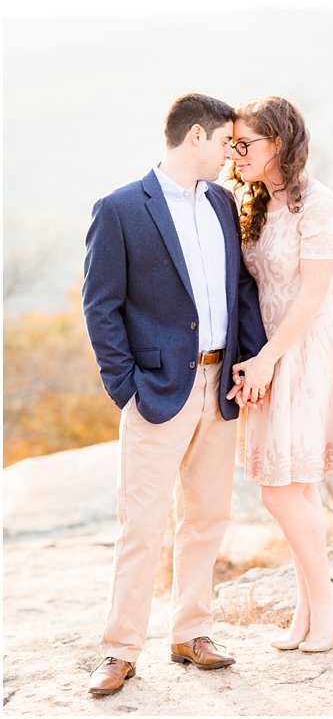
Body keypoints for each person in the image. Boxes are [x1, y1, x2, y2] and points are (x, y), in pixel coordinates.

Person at [82, 93, 268, 695]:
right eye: (225, 144)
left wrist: (248, 361)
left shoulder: (220, 203)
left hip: (220, 386)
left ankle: (191, 631)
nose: (231, 155)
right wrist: (124, 388)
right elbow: (100, 306)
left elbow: (238, 291)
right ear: (195, 138)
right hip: (156, 391)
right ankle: (120, 648)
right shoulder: (119, 209)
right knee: (142, 522)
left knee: (208, 515)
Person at [226, 96, 333, 653]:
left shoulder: (319, 203)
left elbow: (312, 296)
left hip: (308, 353)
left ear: (277, 145)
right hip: (269, 355)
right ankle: (309, 608)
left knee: (279, 493)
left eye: (246, 145)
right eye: (233, 144)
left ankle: (326, 601)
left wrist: (267, 360)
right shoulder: (255, 200)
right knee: (295, 486)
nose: (236, 154)